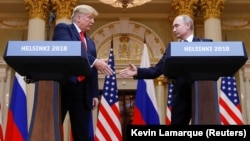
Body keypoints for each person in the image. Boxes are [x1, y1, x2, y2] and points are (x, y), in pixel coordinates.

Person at [119, 14, 212, 125]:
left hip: (202, 94)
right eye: (173, 27)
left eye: (177, 26)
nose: (174, 29)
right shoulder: (172, 48)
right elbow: (157, 70)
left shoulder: (205, 44)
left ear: (188, 25)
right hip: (181, 97)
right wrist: (138, 71)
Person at [52, 5, 113, 141]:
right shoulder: (64, 29)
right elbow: (68, 48)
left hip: (83, 92)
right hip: (64, 88)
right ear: (78, 18)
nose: (92, 22)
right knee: (53, 127)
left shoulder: (90, 42)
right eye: (89, 18)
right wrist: (95, 61)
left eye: (93, 19)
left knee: (83, 134)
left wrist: (94, 94)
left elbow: (92, 70)